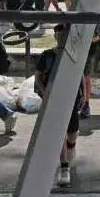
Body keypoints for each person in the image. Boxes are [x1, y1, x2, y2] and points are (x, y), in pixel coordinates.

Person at [35, 24, 89, 188]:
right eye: (59, 35)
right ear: (54, 36)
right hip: (54, 99)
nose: (61, 38)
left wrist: (84, 95)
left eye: (64, 35)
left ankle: (70, 146)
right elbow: (38, 76)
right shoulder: (46, 55)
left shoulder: (73, 55)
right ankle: (64, 167)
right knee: (60, 133)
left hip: (72, 97)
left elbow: (81, 74)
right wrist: (45, 92)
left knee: (72, 133)